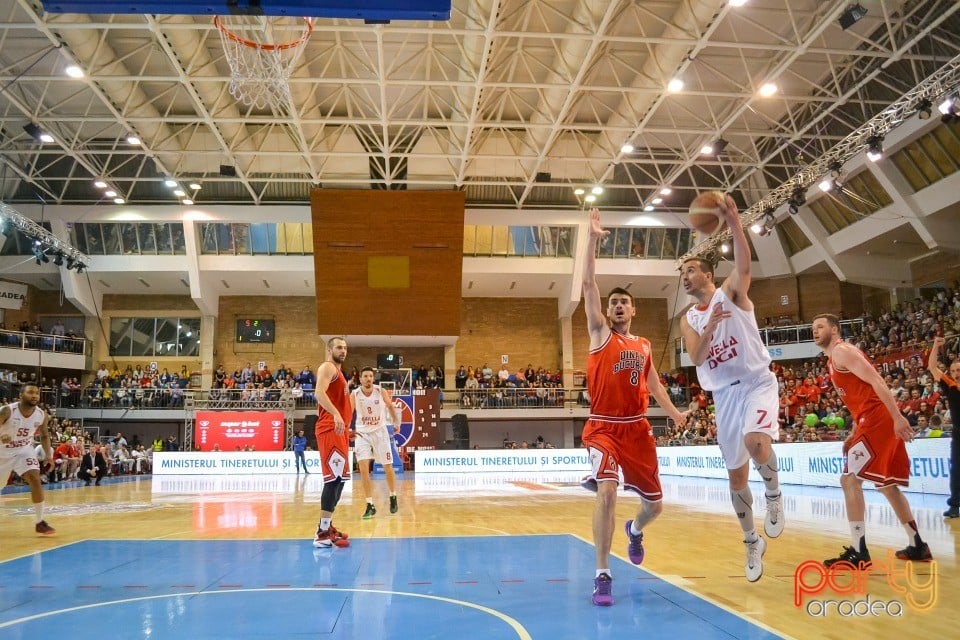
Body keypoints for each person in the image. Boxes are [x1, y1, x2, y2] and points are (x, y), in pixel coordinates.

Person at [579, 208, 688, 606]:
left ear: (634, 309)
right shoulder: (599, 334)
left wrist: (675, 413)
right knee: (606, 490)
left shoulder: (642, 346)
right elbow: (589, 283)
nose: (620, 306)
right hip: (604, 428)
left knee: (655, 505)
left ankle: (636, 529)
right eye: (615, 303)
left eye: (625, 302)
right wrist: (591, 239)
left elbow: (654, 385)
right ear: (608, 312)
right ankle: (602, 573)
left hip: (637, 429)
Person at [679, 194, 784, 582]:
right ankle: (751, 541)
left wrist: (736, 223)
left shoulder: (731, 292)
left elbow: (743, 263)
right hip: (724, 396)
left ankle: (774, 496)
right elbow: (696, 357)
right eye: (682, 274)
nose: (685, 277)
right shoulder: (688, 319)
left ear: (707, 274)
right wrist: (708, 328)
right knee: (736, 479)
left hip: (757, 381)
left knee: (758, 443)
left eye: (690, 270)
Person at [812, 313, 932, 564]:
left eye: (820, 327)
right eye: (813, 328)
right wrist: (856, 432)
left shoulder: (842, 351)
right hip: (872, 420)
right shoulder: (833, 360)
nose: (815, 331)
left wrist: (898, 417)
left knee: (849, 480)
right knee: (887, 485)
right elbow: (861, 399)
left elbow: (877, 381)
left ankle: (859, 552)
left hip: (878, 419)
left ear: (834, 330)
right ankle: (917, 544)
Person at [0, 383, 56, 534]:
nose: (34, 395)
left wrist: (49, 456)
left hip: (23, 451)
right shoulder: (7, 411)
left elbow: (44, 435)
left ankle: (40, 522)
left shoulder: (41, 414)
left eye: (37, 393)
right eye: (30, 392)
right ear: (21, 395)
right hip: (1, 453)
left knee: (35, 478)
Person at [312, 336, 352, 549]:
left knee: (341, 479)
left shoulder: (339, 373)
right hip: (329, 428)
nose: (343, 350)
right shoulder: (327, 367)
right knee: (333, 480)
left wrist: (346, 425)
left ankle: (326, 525)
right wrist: (336, 415)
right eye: (339, 347)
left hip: (340, 430)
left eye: (345, 347)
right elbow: (318, 392)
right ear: (329, 349)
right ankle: (322, 533)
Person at [351, 366, 402, 519]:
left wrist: (396, 422)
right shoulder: (355, 394)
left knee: (387, 466)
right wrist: (348, 427)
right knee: (363, 468)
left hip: (380, 432)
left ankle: (393, 496)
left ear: (373, 378)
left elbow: (389, 406)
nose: (368, 379)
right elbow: (349, 412)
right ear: (360, 379)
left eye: (370, 376)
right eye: (365, 376)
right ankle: (369, 504)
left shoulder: (381, 391)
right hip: (362, 433)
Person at [927, 335, 959, 518]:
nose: (956, 373)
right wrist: (935, 346)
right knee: (956, 471)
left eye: (959, 369)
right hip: (958, 434)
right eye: (953, 370)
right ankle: (955, 505)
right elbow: (932, 367)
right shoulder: (951, 386)